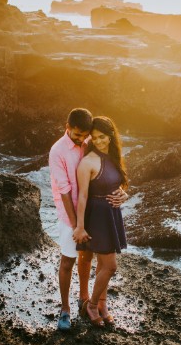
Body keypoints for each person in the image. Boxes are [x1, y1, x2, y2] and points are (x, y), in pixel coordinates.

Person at [48, 108, 127, 331]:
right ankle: (65, 310)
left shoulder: (90, 142)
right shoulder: (57, 151)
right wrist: (76, 226)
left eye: (86, 136)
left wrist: (122, 191)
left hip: (92, 212)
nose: (82, 139)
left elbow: (106, 173)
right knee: (68, 261)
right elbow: (65, 192)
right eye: (78, 135)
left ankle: (88, 300)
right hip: (69, 215)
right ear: (67, 126)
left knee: (88, 258)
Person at [73, 116, 129, 328]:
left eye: (102, 137)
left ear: (111, 135)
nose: (98, 141)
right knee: (110, 266)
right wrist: (79, 226)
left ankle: (103, 305)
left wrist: (123, 195)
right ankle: (92, 305)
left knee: (104, 266)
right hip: (96, 216)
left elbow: (117, 184)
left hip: (111, 215)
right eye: (94, 138)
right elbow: (83, 197)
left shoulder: (113, 156)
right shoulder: (87, 162)